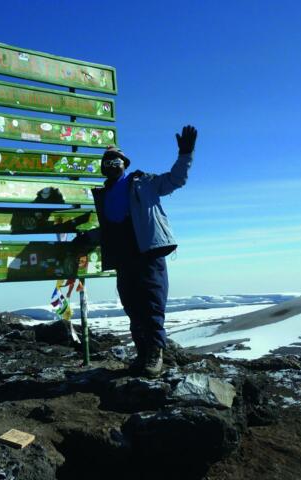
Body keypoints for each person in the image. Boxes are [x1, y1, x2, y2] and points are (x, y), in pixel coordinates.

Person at [76, 125, 197, 378]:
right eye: (107, 161)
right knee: (132, 306)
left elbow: (176, 179)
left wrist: (185, 155)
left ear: (125, 163)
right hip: (123, 256)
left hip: (148, 252)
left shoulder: (145, 182)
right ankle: (142, 353)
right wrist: (88, 237)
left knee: (152, 303)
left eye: (115, 160)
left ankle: (155, 353)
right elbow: (110, 228)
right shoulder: (105, 194)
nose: (111, 164)